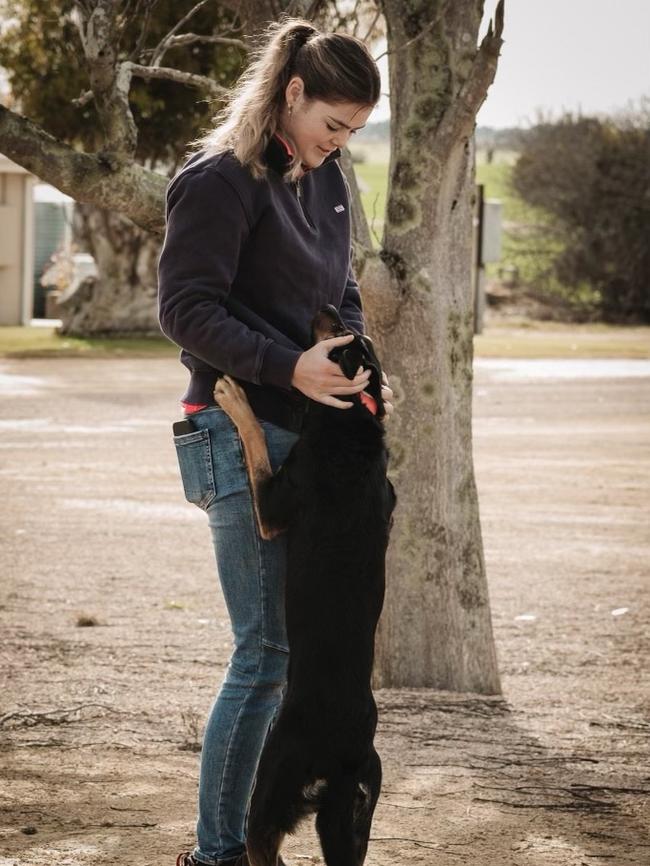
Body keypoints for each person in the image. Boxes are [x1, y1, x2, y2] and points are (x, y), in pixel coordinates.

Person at [157, 16, 394, 866]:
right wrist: (289, 366)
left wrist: (352, 367)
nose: (339, 147)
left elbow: (345, 293)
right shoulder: (219, 180)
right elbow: (184, 309)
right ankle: (218, 855)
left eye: (355, 134)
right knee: (264, 654)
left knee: (293, 660)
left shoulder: (328, 184)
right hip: (234, 426)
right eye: (332, 126)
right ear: (290, 94)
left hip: (312, 437)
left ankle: (250, 845)